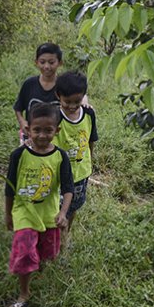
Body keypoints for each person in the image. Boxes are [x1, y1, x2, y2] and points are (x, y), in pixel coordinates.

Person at [4, 102, 73, 307]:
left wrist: (63, 213)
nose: (42, 135)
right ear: (27, 129)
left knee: (47, 253)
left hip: (49, 214)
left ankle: (38, 269)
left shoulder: (61, 156)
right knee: (25, 252)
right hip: (24, 213)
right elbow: (9, 187)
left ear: (57, 130)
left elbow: (68, 188)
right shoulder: (18, 155)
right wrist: (8, 214)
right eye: (37, 130)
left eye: (48, 130)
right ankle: (24, 293)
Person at [53, 71, 98, 240]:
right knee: (56, 209)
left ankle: (65, 235)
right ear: (58, 96)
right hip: (58, 175)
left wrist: (90, 161)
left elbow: (91, 140)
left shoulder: (88, 114)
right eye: (67, 102)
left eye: (77, 102)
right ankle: (55, 239)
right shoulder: (55, 116)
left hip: (80, 173)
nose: (72, 106)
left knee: (73, 207)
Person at [13, 43, 63, 143]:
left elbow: (78, 95)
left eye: (51, 62)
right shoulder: (29, 84)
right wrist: (22, 122)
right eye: (42, 62)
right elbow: (18, 108)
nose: (47, 66)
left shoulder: (63, 85)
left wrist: (85, 102)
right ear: (36, 62)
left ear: (60, 63)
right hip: (31, 137)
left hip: (56, 138)